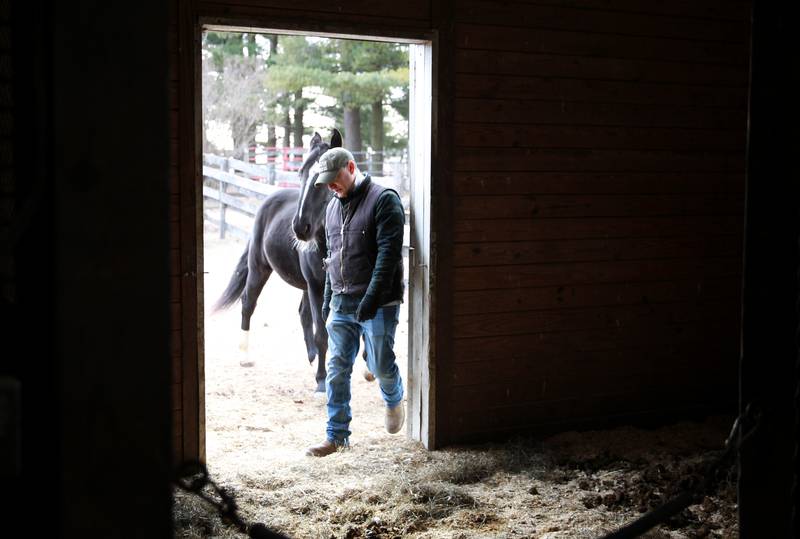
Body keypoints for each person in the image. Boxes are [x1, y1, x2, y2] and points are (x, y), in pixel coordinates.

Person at [305, 147, 406, 457]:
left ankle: (394, 398)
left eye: (334, 179)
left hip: (379, 300)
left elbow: (388, 256)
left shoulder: (384, 200)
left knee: (380, 364)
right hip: (341, 300)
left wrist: (371, 299)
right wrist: (327, 302)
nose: (331, 186)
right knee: (336, 368)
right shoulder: (332, 209)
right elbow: (331, 257)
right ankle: (336, 436)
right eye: (326, 183)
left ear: (351, 167)